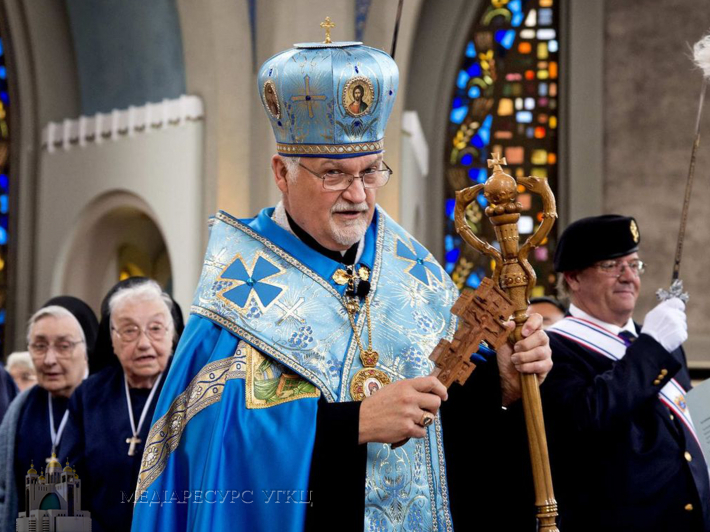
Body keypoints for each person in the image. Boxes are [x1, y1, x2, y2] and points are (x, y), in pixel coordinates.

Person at [132, 32, 552, 532]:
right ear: (282, 174)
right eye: (333, 173)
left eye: (371, 172)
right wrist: (349, 426)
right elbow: (211, 447)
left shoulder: (411, 272)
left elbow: (446, 421)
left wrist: (501, 383)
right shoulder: (238, 293)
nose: (358, 195)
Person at [542, 215, 710, 531]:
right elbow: (585, 416)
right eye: (611, 265)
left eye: (634, 265)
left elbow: (695, 428)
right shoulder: (552, 348)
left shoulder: (663, 342)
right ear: (574, 278)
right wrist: (652, 347)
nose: (628, 276)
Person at [58, 279, 177, 532]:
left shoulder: (192, 393)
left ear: (173, 334)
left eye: (155, 328)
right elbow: (67, 485)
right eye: (130, 330)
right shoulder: (88, 397)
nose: (144, 343)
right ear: (112, 338)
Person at [0, 296, 98, 532]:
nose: (49, 359)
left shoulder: (103, 405)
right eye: (39, 346)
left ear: (85, 349)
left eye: (64, 346)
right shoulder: (20, 408)